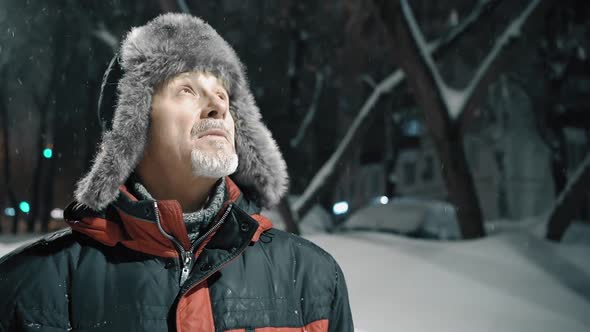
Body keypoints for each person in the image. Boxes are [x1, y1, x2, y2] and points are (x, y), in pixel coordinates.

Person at [0, 13, 353, 331]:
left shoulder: (312, 279)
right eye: (186, 89)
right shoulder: (29, 287)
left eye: (223, 96)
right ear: (134, 123)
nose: (216, 106)